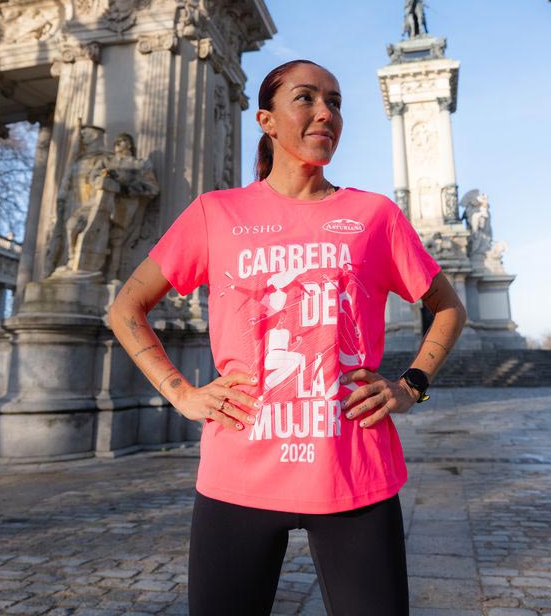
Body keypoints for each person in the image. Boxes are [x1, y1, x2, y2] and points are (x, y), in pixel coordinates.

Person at [106, 59, 467, 616]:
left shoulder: (375, 215)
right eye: (307, 98)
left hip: (355, 474)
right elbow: (127, 307)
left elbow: (447, 307)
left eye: (336, 102)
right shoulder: (216, 213)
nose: (327, 112)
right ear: (267, 120)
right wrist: (181, 392)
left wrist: (411, 385)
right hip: (238, 477)